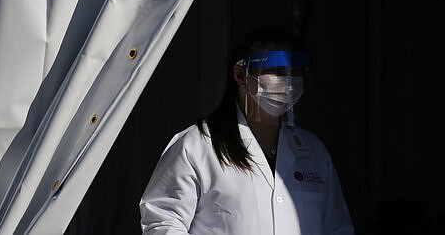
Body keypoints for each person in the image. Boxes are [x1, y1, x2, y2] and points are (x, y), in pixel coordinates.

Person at [139, 25, 355, 234]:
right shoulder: (197, 145)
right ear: (241, 75)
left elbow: (336, 227)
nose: (287, 82)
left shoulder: (314, 151)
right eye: (276, 71)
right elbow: (163, 220)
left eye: (294, 72)